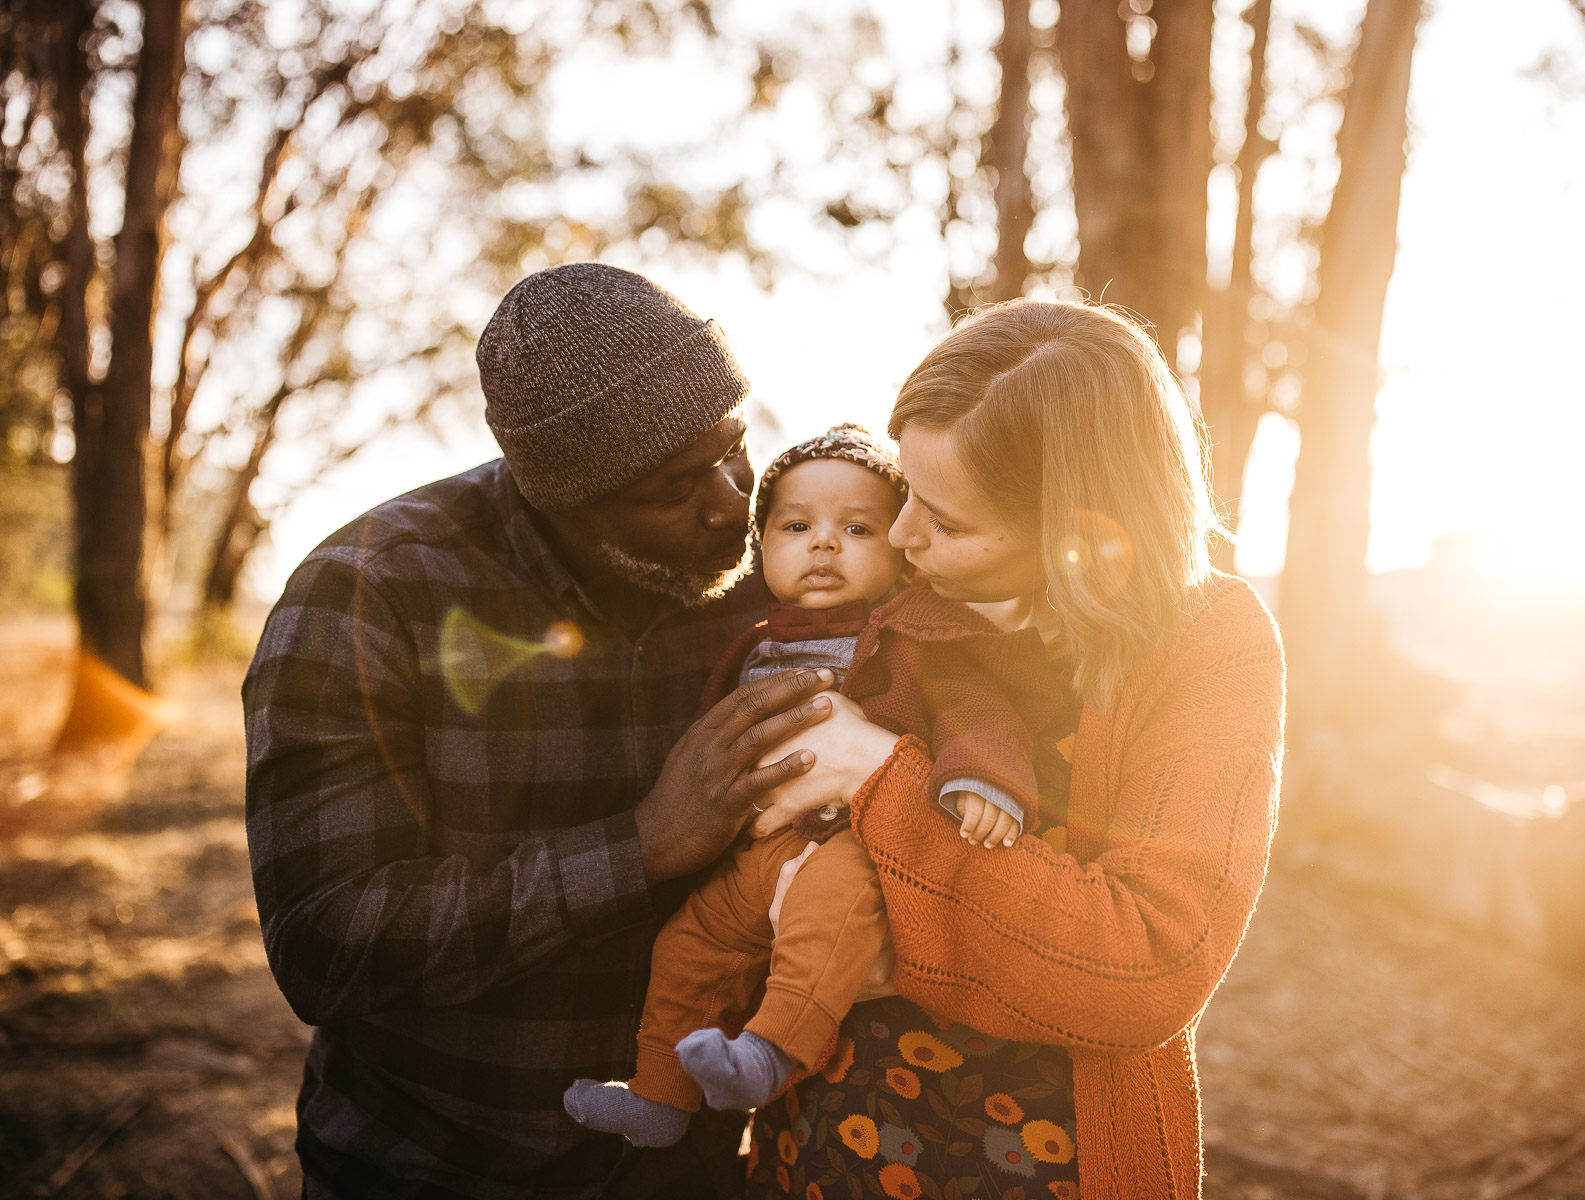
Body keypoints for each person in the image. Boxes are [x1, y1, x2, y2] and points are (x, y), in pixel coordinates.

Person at [242, 263, 841, 1199]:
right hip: (432, 1165)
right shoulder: (370, 593)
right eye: (676, 484)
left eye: (734, 445)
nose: (731, 500)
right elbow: (325, 944)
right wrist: (639, 847)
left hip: (691, 1167)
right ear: (560, 498)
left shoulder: (779, 561)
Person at [739, 300, 1286, 1199]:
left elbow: (1147, 969)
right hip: (823, 1127)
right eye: (906, 494)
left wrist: (876, 777)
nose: (903, 535)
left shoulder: (1206, 643)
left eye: (947, 524)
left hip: (1041, 1157)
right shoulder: (883, 594)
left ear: (1078, 530)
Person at [566, 424, 1075, 1149]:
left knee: (822, 928)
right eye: (797, 526)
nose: (824, 544)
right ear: (761, 546)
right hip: (758, 849)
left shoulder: (915, 633)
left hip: (854, 842)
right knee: (688, 946)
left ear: (900, 550)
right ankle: (659, 1094)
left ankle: (769, 1054)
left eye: (857, 528)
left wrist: (981, 779)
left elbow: (977, 708)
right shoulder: (754, 639)